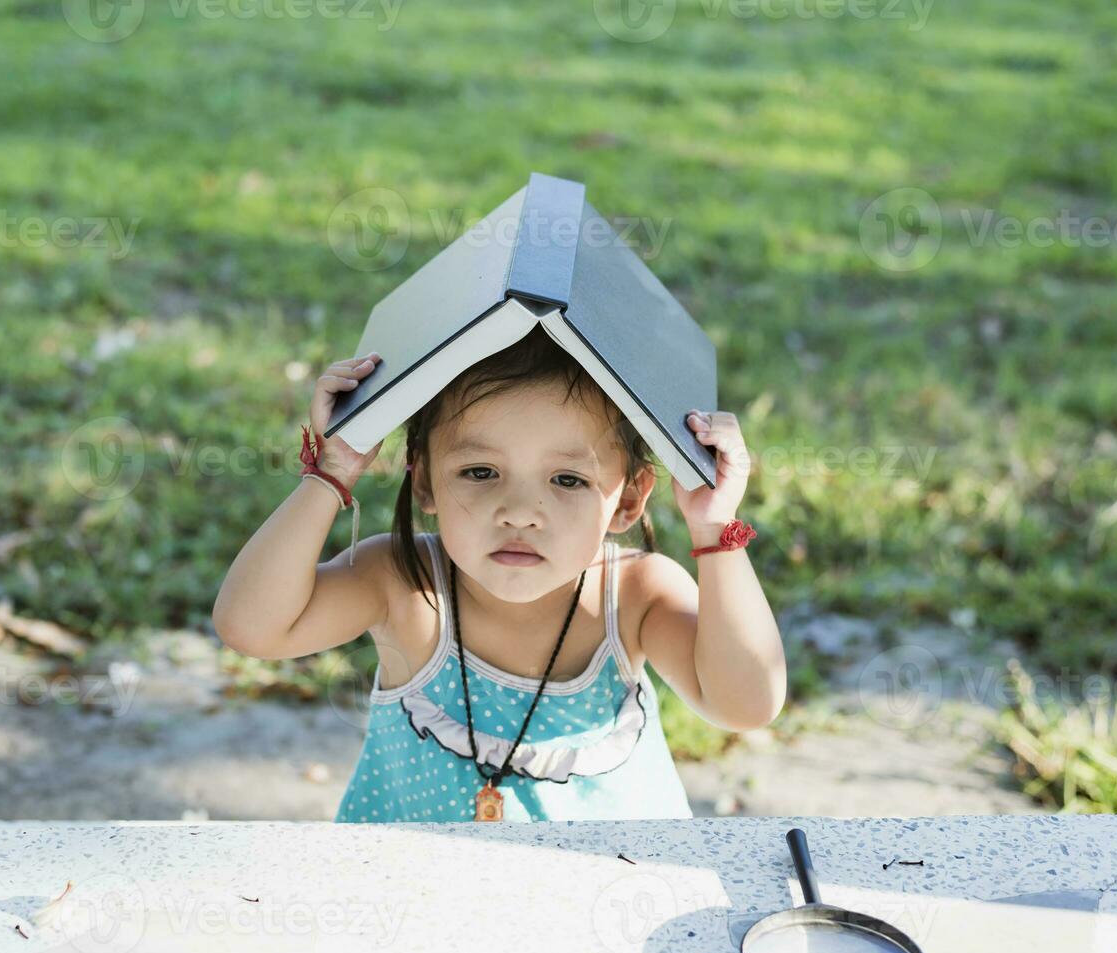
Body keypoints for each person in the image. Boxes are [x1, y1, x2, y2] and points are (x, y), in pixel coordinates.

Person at [212, 329, 785, 822]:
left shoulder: (637, 594)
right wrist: (331, 472)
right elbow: (252, 628)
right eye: (480, 471)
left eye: (567, 480)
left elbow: (746, 702)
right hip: (418, 901)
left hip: (605, 899)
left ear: (628, 500)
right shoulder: (403, 586)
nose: (518, 511)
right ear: (426, 482)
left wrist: (716, 529)